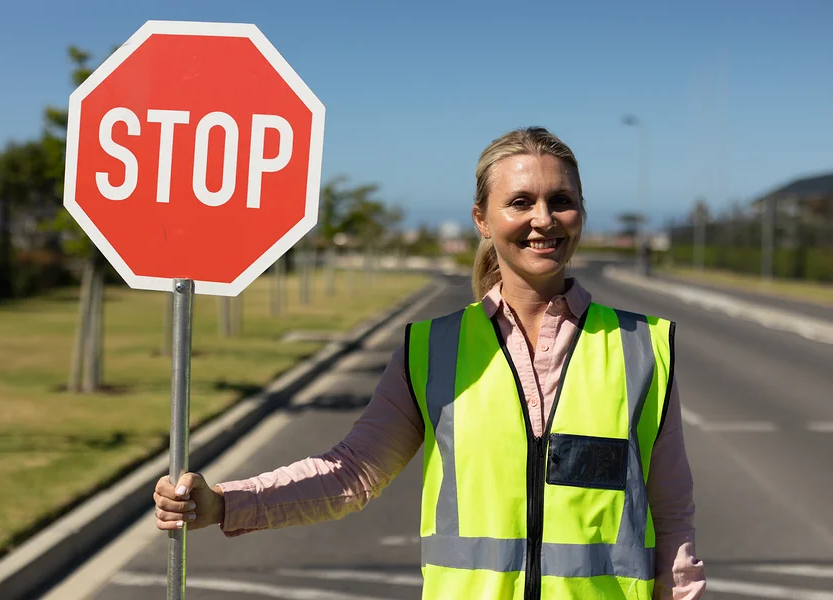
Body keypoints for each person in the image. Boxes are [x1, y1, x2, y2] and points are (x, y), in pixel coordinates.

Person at [154, 127, 707, 599]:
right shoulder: (432, 348)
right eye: (520, 202)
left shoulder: (643, 345)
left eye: (561, 200)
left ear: (581, 212)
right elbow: (351, 475)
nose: (544, 219)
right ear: (482, 220)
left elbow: (672, 517)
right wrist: (225, 503)